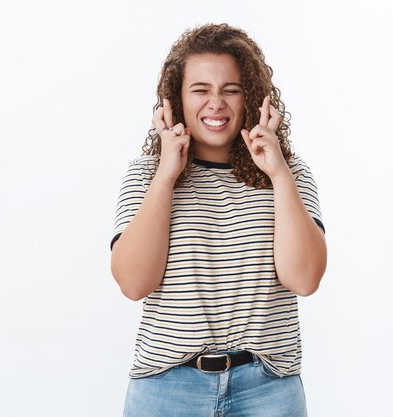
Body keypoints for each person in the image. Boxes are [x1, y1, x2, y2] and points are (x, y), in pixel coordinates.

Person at [110, 23, 327, 417]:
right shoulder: (146, 175)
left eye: (231, 89)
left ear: (252, 98)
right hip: (167, 387)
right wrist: (166, 176)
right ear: (174, 99)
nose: (216, 103)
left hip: (268, 389)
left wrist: (278, 174)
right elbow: (133, 283)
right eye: (200, 90)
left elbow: (305, 279)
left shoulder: (289, 173)